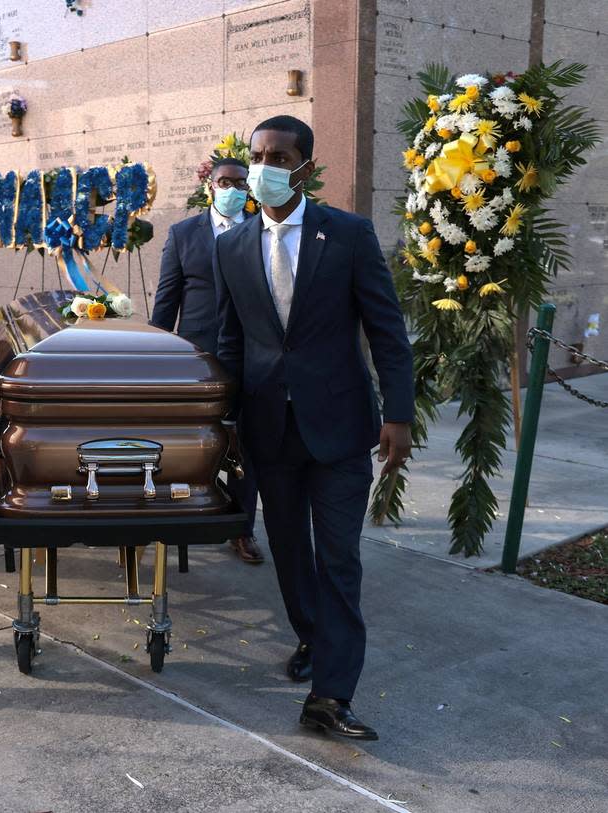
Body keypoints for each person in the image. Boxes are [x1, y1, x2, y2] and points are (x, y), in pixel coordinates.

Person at [214, 115, 413, 741]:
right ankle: (310, 636)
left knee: (339, 560)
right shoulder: (232, 245)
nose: (264, 168)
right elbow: (229, 342)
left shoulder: (348, 235)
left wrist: (399, 415)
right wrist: (221, 422)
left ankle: (331, 693)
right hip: (269, 429)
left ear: (305, 166)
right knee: (291, 555)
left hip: (340, 426)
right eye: (257, 156)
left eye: (278, 156)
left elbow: (387, 331)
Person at [151, 156, 263, 566]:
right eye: (224, 182)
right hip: (197, 356)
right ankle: (174, 515)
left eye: (240, 182)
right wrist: (155, 354)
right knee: (187, 443)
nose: (232, 189)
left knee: (242, 445)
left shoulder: (259, 230)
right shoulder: (184, 233)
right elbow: (167, 299)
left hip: (251, 356)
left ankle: (241, 529)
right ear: (210, 186)